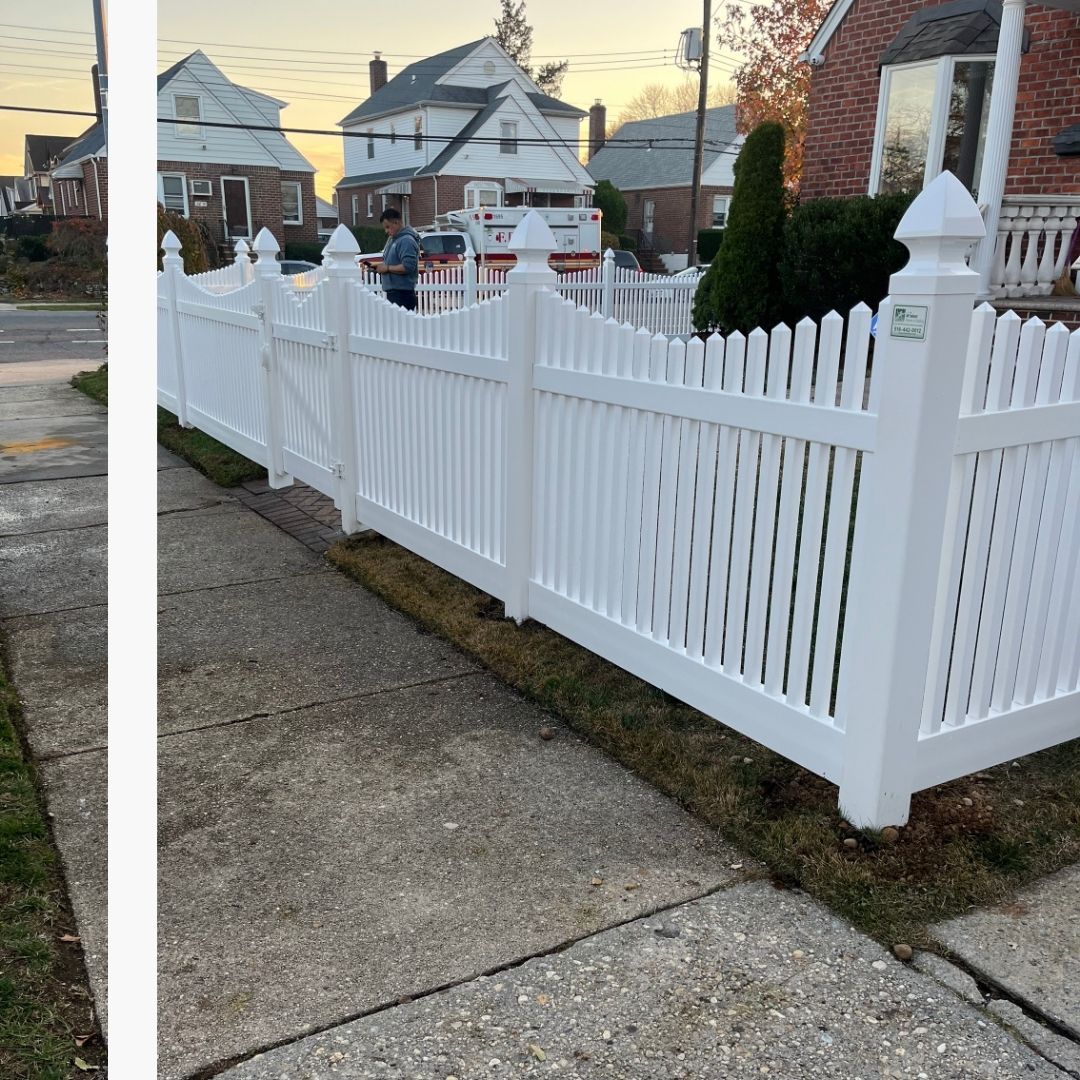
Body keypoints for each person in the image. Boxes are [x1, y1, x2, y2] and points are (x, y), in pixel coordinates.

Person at [374, 207, 420, 311]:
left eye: (388, 227)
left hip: (402, 295)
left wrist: (387, 268)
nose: (386, 231)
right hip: (395, 293)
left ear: (397, 222)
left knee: (401, 326)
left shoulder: (406, 241)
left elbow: (408, 267)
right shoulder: (394, 240)